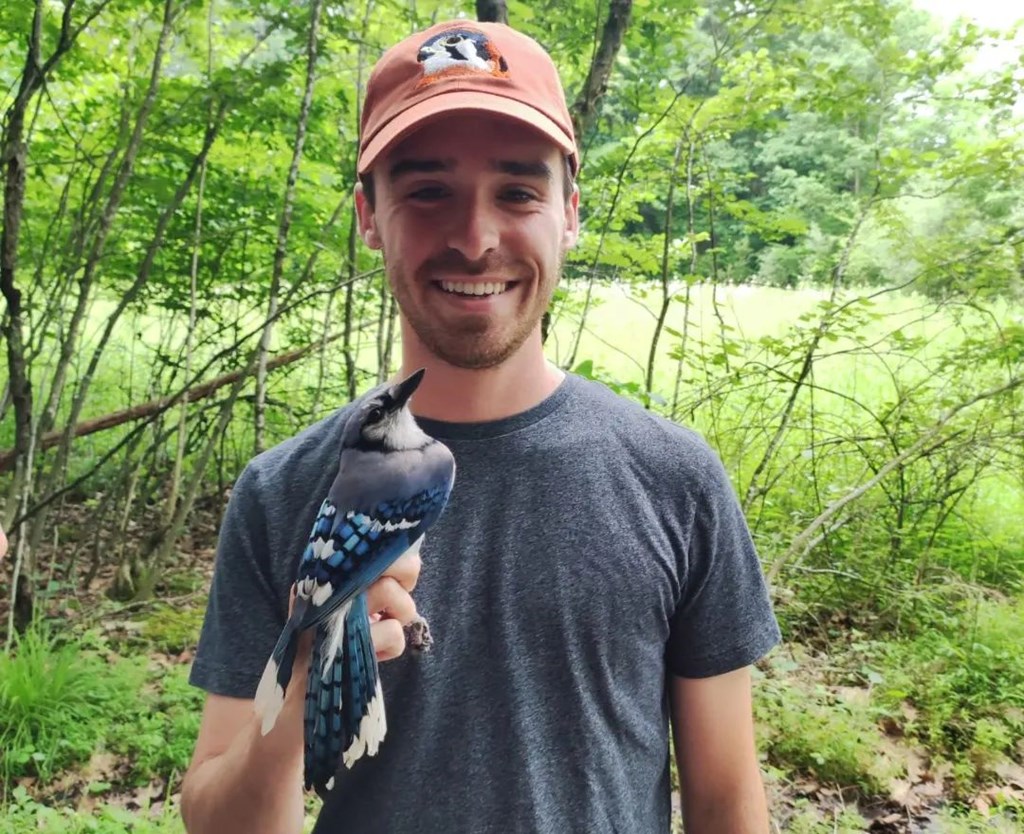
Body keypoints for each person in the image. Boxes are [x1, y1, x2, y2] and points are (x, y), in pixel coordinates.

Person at [182, 20, 780, 834]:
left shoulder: (675, 479)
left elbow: (727, 804)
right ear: (368, 215)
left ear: (568, 213)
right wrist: (305, 682)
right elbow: (219, 821)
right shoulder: (281, 490)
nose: (474, 238)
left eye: (518, 192)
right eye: (427, 191)